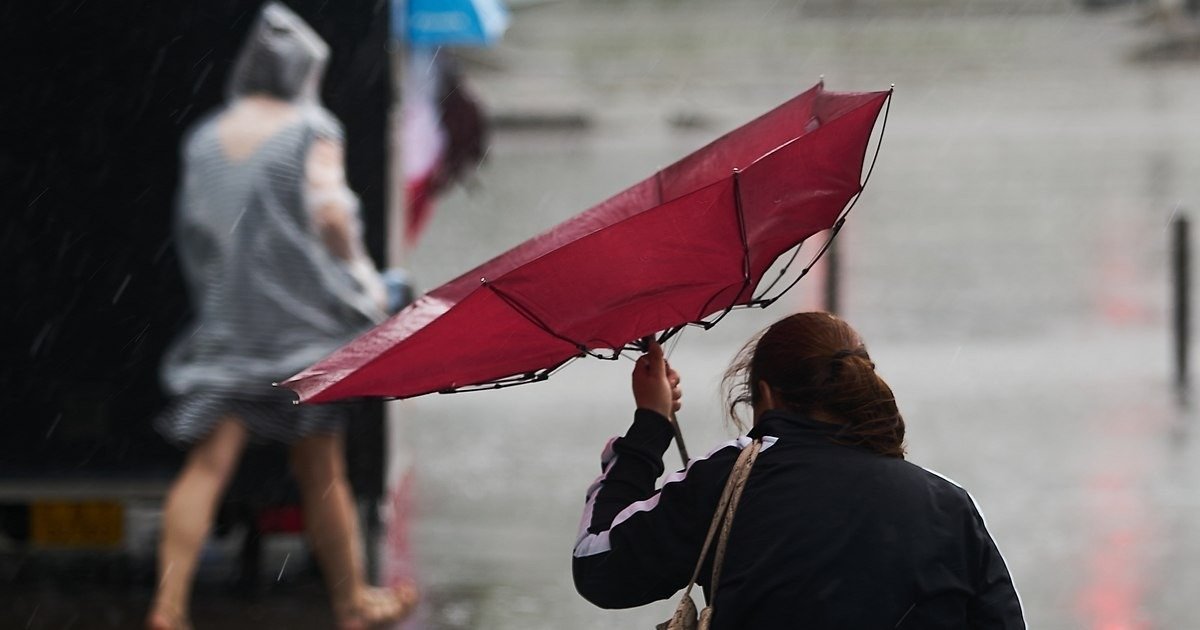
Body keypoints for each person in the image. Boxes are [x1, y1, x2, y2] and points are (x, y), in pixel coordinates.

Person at [148, 4, 416, 629]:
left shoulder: (206, 138)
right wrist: (365, 282)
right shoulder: (309, 128)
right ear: (303, 71)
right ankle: (352, 602)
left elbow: (196, 232)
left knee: (207, 466)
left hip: (230, 325)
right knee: (323, 469)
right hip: (302, 328)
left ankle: (167, 608)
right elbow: (331, 215)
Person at [572, 312, 1025, 628]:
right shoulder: (947, 504)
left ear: (764, 395)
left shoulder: (728, 479)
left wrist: (651, 425)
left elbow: (599, 566)